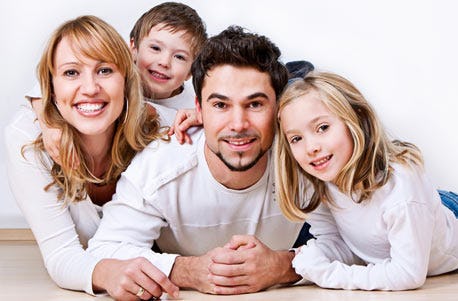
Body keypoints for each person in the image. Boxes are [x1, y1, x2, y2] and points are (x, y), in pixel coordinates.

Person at [87, 25, 308, 295]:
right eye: (220, 105)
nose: (238, 124)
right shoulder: (159, 164)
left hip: (302, 235)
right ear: (198, 110)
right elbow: (103, 251)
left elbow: (364, 239)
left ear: (277, 108)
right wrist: (186, 270)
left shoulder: (307, 154)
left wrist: (284, 265)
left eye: (255, 104)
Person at [4, 15, 178, 300]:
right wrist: (107, 273)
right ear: (51, 87)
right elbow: (61, 255)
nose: (90, 88)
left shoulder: (160, 128)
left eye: (105, 71)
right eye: (71, 73)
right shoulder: (28, 139)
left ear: (126, 79)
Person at [274, 71, 458, 291]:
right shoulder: (318, 182)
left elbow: (407, 274)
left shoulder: (400, 189)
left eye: (322, 128)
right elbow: (340, 242)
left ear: (356, 119)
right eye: (296, 138)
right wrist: (311, 256)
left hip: (442, 216)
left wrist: (328, 274)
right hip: (417, 209)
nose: (311, 147)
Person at [27, 1, 207, 162]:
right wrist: (48, 126)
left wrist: (202, 117)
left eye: (180, 57)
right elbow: (46, 85)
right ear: (132, 49)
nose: (164, 62)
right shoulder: (113, 73)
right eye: (155, 48)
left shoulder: (192, 106)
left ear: (191, 71)